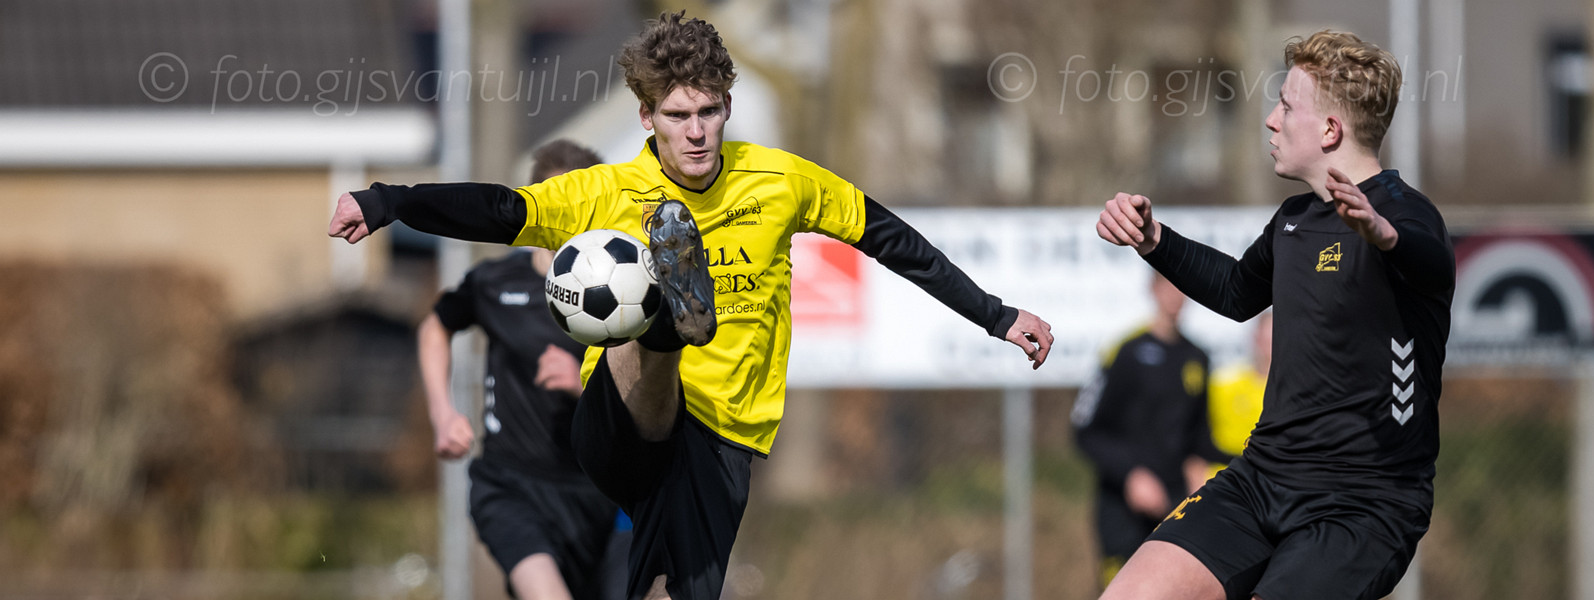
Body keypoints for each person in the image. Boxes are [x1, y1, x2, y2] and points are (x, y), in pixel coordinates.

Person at [331, 12, 1054, 600]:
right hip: (617, 422)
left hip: (725, 437)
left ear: (728, 106)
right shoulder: (603, 192)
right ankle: (667, 322)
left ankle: (673, 318)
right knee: (638, 323)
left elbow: (893, 241)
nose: (697, 131)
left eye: (709, 112)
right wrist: (389, 200)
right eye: (679, 115)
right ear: (647, 116)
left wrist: (996, 316)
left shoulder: (782, 181)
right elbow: (497, 209)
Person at [1094, 30, 1454, 600]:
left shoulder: (1406, 216)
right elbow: (1236, 292)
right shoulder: (1294, 220)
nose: (1271, 119)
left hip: (1363, 502)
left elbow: (1429, 262)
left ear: (1330, 130)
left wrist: (1386, 237)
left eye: (1286, 105)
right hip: (1262, 479)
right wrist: (1154, 238)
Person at [420, 140, 623, 600]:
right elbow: (435, 327)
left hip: (602, 493)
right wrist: (442, 412)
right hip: (511, 485)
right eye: (559, 205)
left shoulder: (626, 290)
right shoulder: (495, 282)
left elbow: (653, 396)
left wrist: (584, 383)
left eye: (583, 206)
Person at [1072, 272, 1229, 589]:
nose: (1176, 295)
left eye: (1182, 287)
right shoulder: (1126, 351)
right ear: (1153, 290)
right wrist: (1131, 474)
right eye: (1169, 286)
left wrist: (1213, 466)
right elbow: (1086, 430)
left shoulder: (1197, 357)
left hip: (1175, 506)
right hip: (1122, 505)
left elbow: (1199, 438)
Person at [1203, 312, 1271, 479]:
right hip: (1225, 473)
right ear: (1255, 339)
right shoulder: (1224, 384)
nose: (1270, 349)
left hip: (1273, 478)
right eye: (1266, 340)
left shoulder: (1297, 393)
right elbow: (1197, 433)